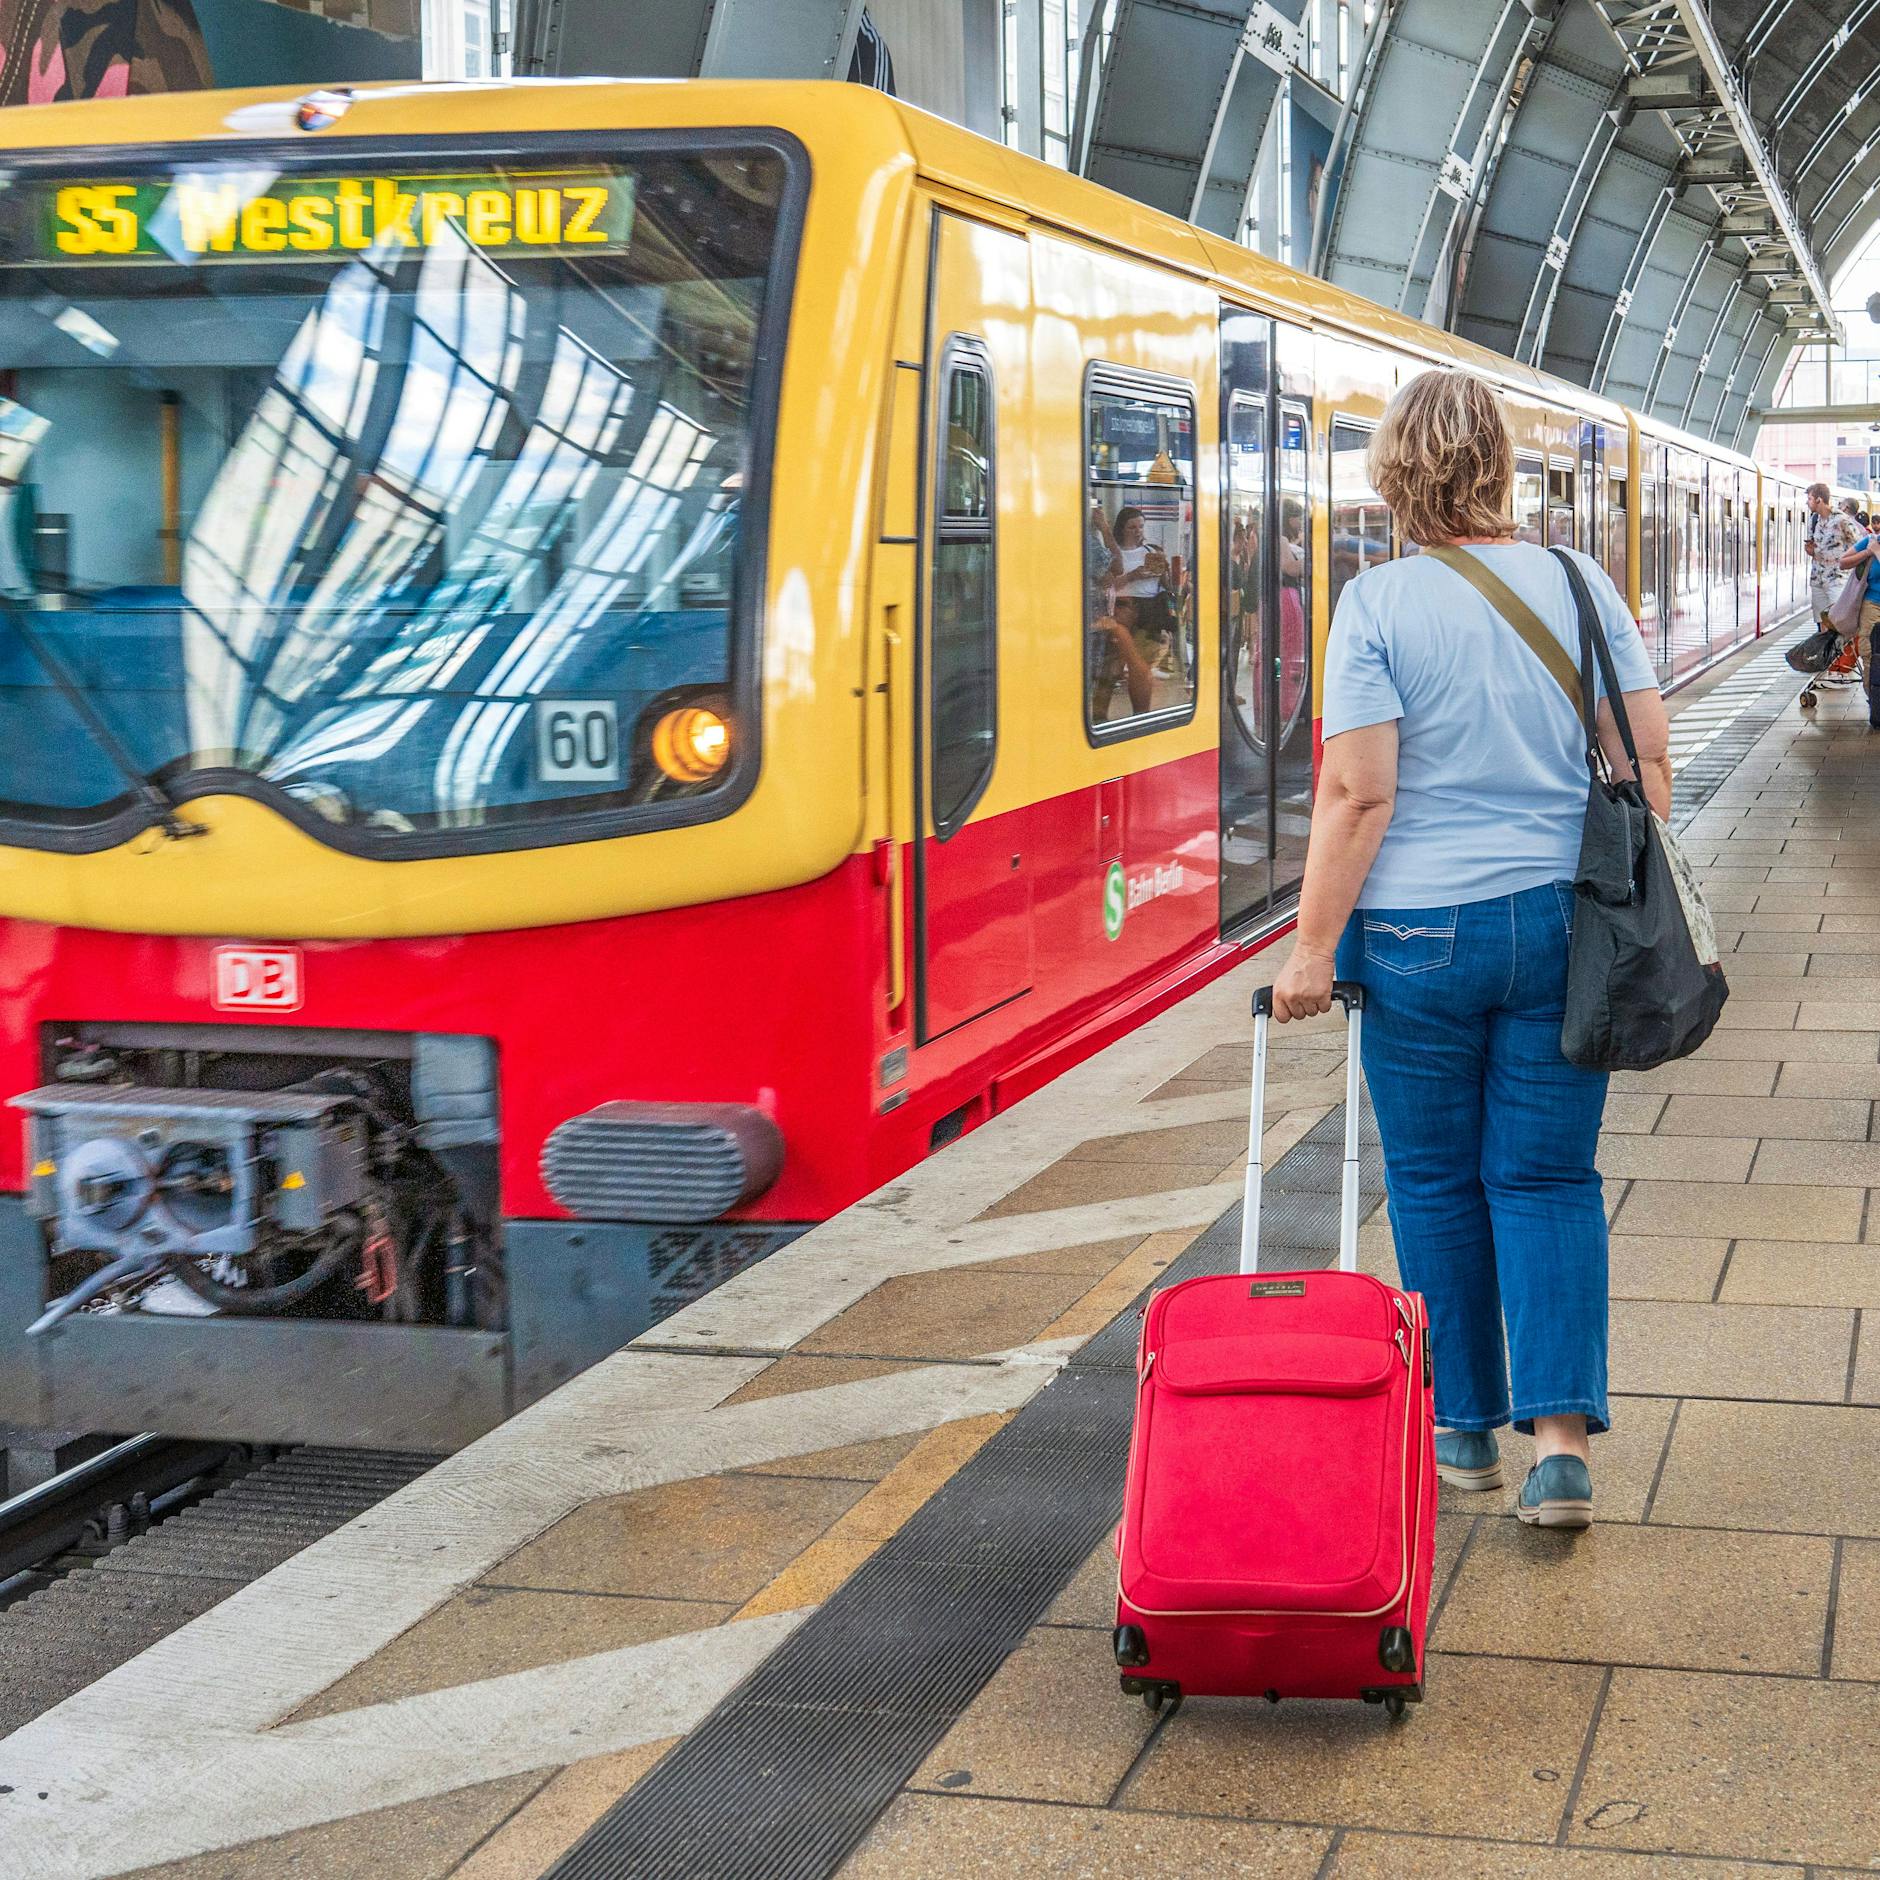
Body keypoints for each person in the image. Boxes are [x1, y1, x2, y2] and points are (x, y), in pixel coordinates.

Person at [1268, 368, 1671, 1532]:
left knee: (1435, 1181)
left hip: (1415, 940)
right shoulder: (1578, 582)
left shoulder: (1377, 603)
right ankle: (1556, 1447)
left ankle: (1459, 1427)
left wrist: (1308, 951)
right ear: (1501, 466)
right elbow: (1645, 760)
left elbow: (1356, 795)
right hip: (1561, 922)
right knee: (1544, 1176)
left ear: (1393, 475)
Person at [1805, 483, 1861, 686]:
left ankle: (1841, 668)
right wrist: (1812, 551)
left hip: (1837, 579)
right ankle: (1827, 668)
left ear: (1819, 499)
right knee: (1823, 625)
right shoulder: (1816, 521)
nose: (1808, 502)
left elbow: (1860, 543)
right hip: (1818, 579)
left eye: (1809, 498)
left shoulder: (1842, 520)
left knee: (1839, 623)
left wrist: (1848, 564)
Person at [1838, 519, 1880, 728]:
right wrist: (1867, 552)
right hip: (1872, 604)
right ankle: (1876, 704)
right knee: (1869, 653)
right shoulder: (1871, 541)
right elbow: (1843, 561)